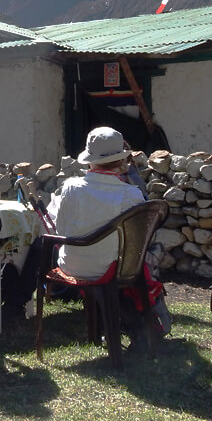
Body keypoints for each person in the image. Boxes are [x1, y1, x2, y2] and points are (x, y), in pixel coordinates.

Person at [46, 126, 171, 336]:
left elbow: (61, 229)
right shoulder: (131, 194)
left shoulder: (70, 187)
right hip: (117, 270)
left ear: (90, 160)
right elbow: (137, 242)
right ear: (121, 160)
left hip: (73, 266)